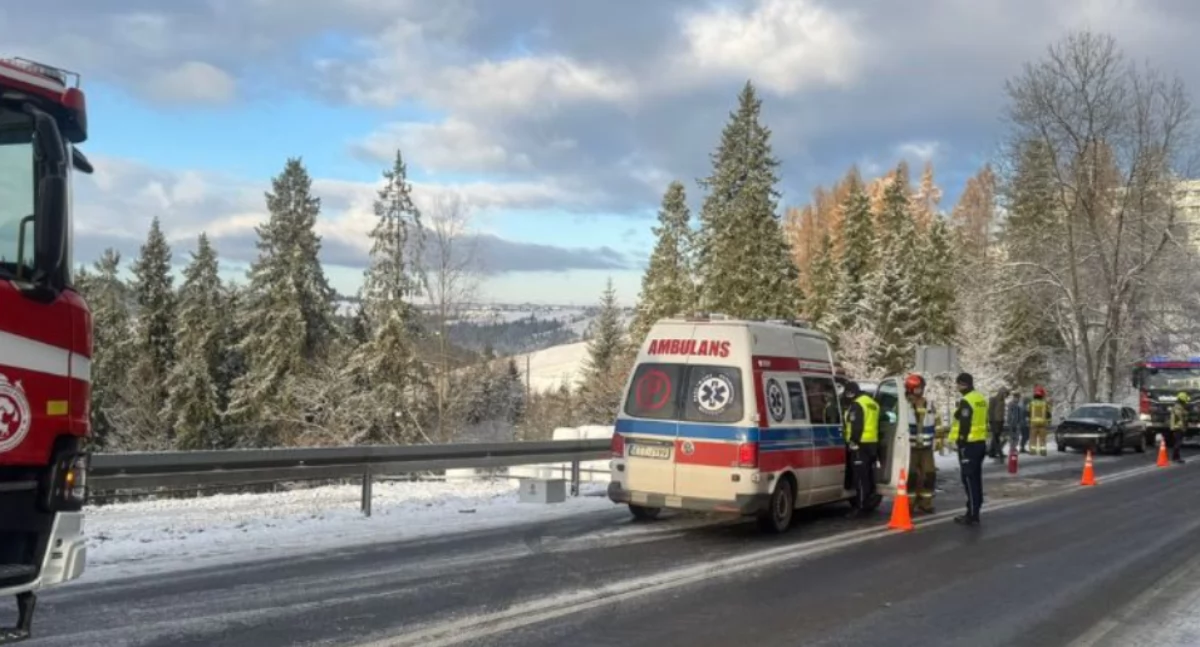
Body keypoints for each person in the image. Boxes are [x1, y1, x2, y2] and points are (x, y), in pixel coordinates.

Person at [948, 372, 988, 525]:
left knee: (969, 479)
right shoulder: (981, 399)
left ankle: (972, 513)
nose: (957, 387)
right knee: (976, 478)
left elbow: (965, 424)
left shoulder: (967, 400)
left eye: (958, 384)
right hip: (980, 442)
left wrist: (961, 441)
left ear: (963, 384)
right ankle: (975, 509)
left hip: (969, 444)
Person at [843, 381, 881, 517]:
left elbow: (856, 425)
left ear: (851, 392)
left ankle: (860, 506)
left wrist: (853, 441)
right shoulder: (872, 403)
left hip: (860, 444)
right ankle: (869, 501)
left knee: (860, 477)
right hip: (872, 443)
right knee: (869, 475)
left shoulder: (857, 404)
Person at [904, 373, 940, 514]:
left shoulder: (929, 404)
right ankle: (909, 503)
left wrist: (939, 439)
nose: (921, 390)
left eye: (921, 388)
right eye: (918, 388)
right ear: (910, 388)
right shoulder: (903, 405)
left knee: (929, 475)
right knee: (911, 476)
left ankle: (926, 503)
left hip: (926, 447)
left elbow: (937, 422)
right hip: (910, 448)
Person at [1028, 386, 1051, 456]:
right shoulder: (1045, 403)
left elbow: (1029, 413)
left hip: (1034, 423)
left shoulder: (1031, 403)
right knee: (1042, 438)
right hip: (1043, 423)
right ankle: (1043, 451)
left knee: (1033, 438)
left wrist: (1029, 421)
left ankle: (1032, 451)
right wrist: (1049, 421)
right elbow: (1048, 414)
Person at [987, 386, 1008, 460]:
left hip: (1000, 421)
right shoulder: (993, 399)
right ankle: (999, 453)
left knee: (996, 438)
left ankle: (992, 452)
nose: (1005, 395)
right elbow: (990, 411)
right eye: (1004, 393)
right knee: (996, 438)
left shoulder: (1003, 401)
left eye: (1006, 394)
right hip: (994, 421)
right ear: (1000, 392)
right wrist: (991, 422)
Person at [1168, 392, 1188, 465]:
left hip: (1178, 427)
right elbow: (1180, 417)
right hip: (1177, 427)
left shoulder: (1179, 407)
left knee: (1178, 442)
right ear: (1182, 400)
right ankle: (1176, 458)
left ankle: (1176, 457)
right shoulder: (1178, 407)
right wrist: (1185, 414)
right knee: (1178, 443)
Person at [1005, 392, 1025, 457]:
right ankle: (1012, 449)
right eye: (1017, 397)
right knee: (1013, 437)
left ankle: (1014, 448)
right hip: (1013, 423)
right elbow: (1011, 415)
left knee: (1016, 437)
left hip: (1017, 423)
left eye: (1019, 398)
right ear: (1015, 397)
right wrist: (1012, 423)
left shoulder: (1018, 404)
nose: (1018, 399)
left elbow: (1019, 414)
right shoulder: (1012, 404)